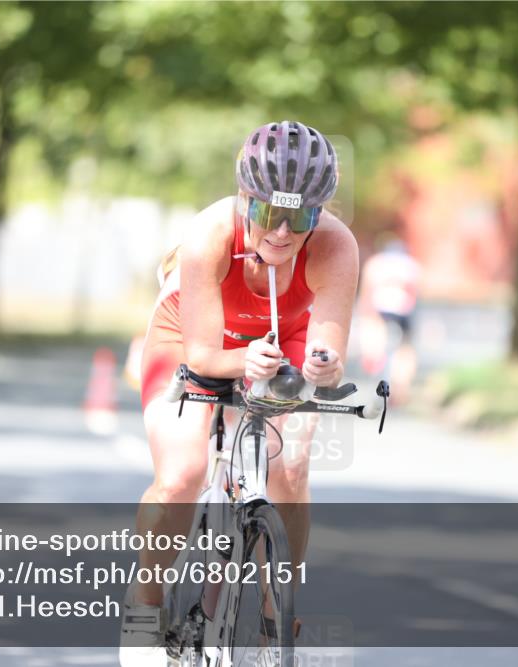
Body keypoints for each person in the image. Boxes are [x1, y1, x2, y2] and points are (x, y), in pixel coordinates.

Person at [120, 121, 359, 665]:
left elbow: (324, 344)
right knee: (182, 473)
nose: (280, 232)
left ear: (318, 213)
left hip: (283, 339)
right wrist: (241, 362)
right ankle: (147, 603)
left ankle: (278, 615)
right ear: (245, 200)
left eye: (299, 217)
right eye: (268, 213)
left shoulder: (336, 246)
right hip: (194, 337)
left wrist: (322, 363)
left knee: (291, 466)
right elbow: (204, 356)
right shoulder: (210, 234)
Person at [357, 237, 421, 405]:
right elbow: (414, 292)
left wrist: (365, 313)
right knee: (405, 349)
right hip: (404, 311)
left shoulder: (376, 263)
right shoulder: (410, 264)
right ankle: (401, 387)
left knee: (378, 346)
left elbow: (367, 290)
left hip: (381, 309)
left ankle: (378, 375)